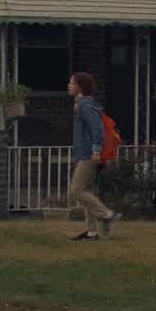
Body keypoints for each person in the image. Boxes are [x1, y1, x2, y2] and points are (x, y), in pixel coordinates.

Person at [66, 72, 122, 241]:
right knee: (87, 191)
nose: (68, 85)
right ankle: (91, 232)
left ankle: (107, 215)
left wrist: (96, 150)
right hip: (85, 153)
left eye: (71, 83)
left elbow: (97, 129)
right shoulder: (82, 103)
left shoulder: (85, 105)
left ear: (80, 86)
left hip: (89, 155)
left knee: (77, 190)